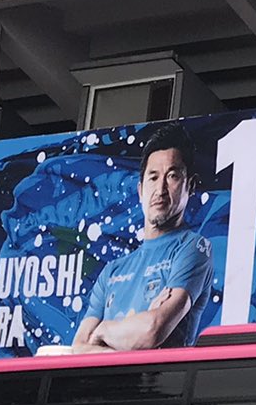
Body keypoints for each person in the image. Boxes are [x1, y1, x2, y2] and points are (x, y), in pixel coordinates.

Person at [72, 124, 215, 351]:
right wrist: (137, 325)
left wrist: (104, 331)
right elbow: (79, 347)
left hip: (159, 385)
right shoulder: (112, 272)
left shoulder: (193, 248)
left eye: (172, 176)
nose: (160, 189)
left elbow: (152, 330)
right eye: (153, 177)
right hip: (104, 386)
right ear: (140, 190)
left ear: (191, 185)